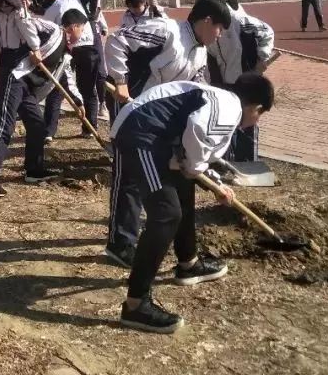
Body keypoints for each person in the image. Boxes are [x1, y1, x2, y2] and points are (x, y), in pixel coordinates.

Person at [113, 73, 275, 333]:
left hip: (157, 138)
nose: (255, 121)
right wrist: (202, 173)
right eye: (260, 115)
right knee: (166, 214)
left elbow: (192, 159)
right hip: (142, 136)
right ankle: (135, 306)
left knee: (183, 190)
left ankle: (188, 263)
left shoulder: (221, 100)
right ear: (255, 107)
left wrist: (212, 182)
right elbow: (197, 133)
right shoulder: (229, 108)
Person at [103, 0, 230, 267]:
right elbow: (117, 40)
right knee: (127, 177)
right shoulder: (166, 30)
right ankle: (120, 244)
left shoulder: (200, 52)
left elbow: (196, 88)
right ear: (207, 21)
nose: (219, 36)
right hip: (132, 111)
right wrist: (121, 80)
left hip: (158, 119)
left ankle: (175, 245)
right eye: (219, 29)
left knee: (162, 177)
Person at [0, 9, 86, 197]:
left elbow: (68, 80)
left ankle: (33, 170)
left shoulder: (66, 54)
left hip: (29, 92)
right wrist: (35, 49)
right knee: (5, 125)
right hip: (17, 79)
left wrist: (79, 102)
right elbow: (27, 21)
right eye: (82, 29)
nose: (82, 34)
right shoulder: (53, 30)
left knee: (37, 126)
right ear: (74, 26)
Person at [196, 0, 275, 162]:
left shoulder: (238, 19)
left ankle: (248, 162)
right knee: (228, 121)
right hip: (224, 82)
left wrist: (262, 58)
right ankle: (229, 162)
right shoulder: (205, 21)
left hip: (245, 79)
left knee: (247, 121)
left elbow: (267, 31)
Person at [42, 0, 105, 139]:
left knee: (58, 88)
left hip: (68, 47)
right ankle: (89, 129)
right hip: (87, 47)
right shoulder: (82, 0)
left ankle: (49, 131)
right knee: (88, 89)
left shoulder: (58, 2)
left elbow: (45, 25)